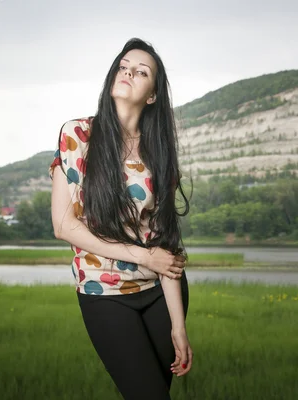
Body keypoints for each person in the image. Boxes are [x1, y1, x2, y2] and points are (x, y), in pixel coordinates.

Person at [49, 38, 192, 400]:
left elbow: (165, 246)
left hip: (160, 292)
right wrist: (142, 255)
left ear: (152, 95)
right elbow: (64, 226)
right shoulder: (77, 135)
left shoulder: (158, 153)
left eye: (140, 71)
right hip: (103, 292)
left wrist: (178, 326)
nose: (128, 72)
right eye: (124, 65)